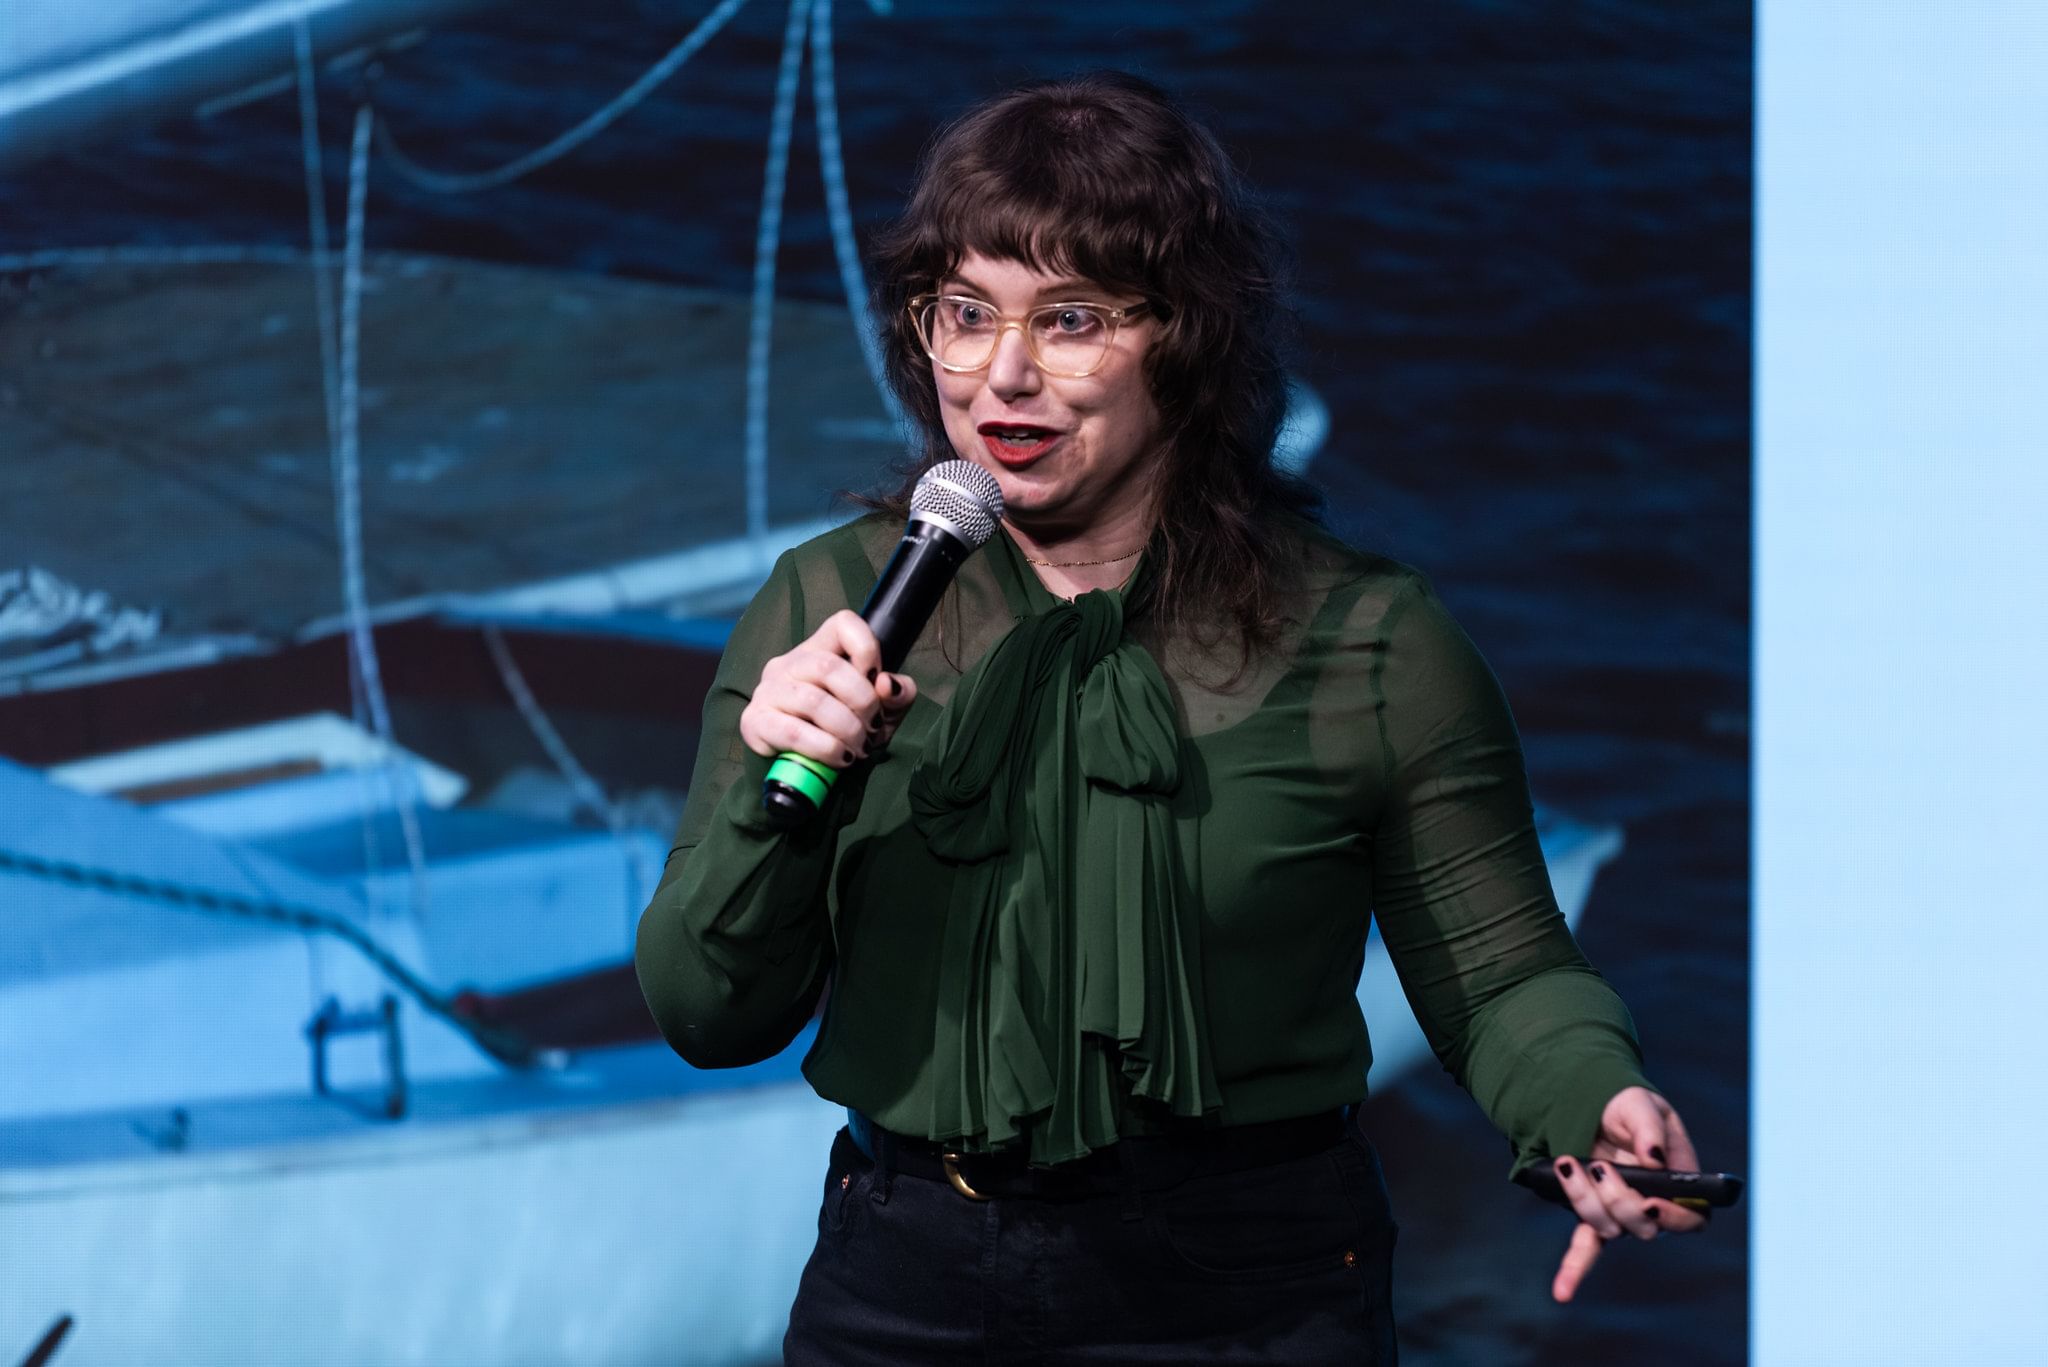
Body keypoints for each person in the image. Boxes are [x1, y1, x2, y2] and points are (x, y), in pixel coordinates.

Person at [634, 70, 1708, 1363]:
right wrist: (779, 797)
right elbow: (709, 1011)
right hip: (908, 1281)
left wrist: (1592, 1100)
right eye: (963, 314)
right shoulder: (829, 601)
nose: (1004, 376)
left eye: (1072, 319)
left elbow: (1501, 974)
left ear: (1188, 340)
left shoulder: (1371, 638)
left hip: (1255, 1293)